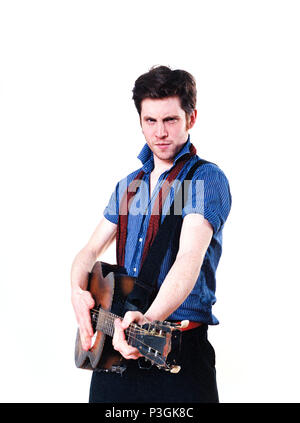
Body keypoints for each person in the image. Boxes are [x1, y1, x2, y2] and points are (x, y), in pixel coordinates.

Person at [71, 65, 232, 403]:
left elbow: (190, 257)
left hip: (177, 354)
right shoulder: (129, 186)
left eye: (170, 120)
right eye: (150, 121)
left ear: (192, 117)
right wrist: (76, 290)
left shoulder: (205, 180)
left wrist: (148, 319)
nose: (160, 132)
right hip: (116, 349)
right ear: (140, 121)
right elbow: (89, 250)